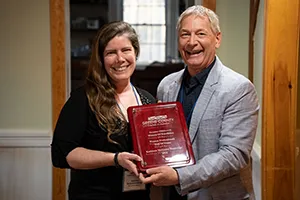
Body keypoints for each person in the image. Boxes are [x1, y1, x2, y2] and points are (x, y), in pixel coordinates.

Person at [139, 5, 259, 200]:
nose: (192, 42)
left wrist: (179, 177)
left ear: (217, 39)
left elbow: (234, 155)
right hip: (173, 195)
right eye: (185, 34)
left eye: (201, 34)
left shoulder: (239, 89)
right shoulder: (166, 85)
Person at [51, 21, 156, 200]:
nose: (120, 59)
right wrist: (114, 159)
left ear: (135, 53)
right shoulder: (83, 99)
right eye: (111, 53)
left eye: (126, 50)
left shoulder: (147, 100)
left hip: (137, 195)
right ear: (101, 59)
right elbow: (64, 154)